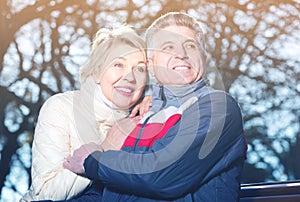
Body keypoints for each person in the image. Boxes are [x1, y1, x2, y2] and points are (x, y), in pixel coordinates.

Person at [64, 12, 247, 201]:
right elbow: (108, 193)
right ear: (151, 65)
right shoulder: (142, 116)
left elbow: (161, 175)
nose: (181, 54)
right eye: (168, 47)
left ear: (203, 59)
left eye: (190, 46)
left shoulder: (218, 107)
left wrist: (92, 161)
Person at [20, 25, 149, 201]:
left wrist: (158, 104)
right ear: (96, 72)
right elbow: (45, 192)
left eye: (140, 69)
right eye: (118, 64)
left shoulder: (145, 119)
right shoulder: (61, 107)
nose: (130, 77)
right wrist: (104, 149)